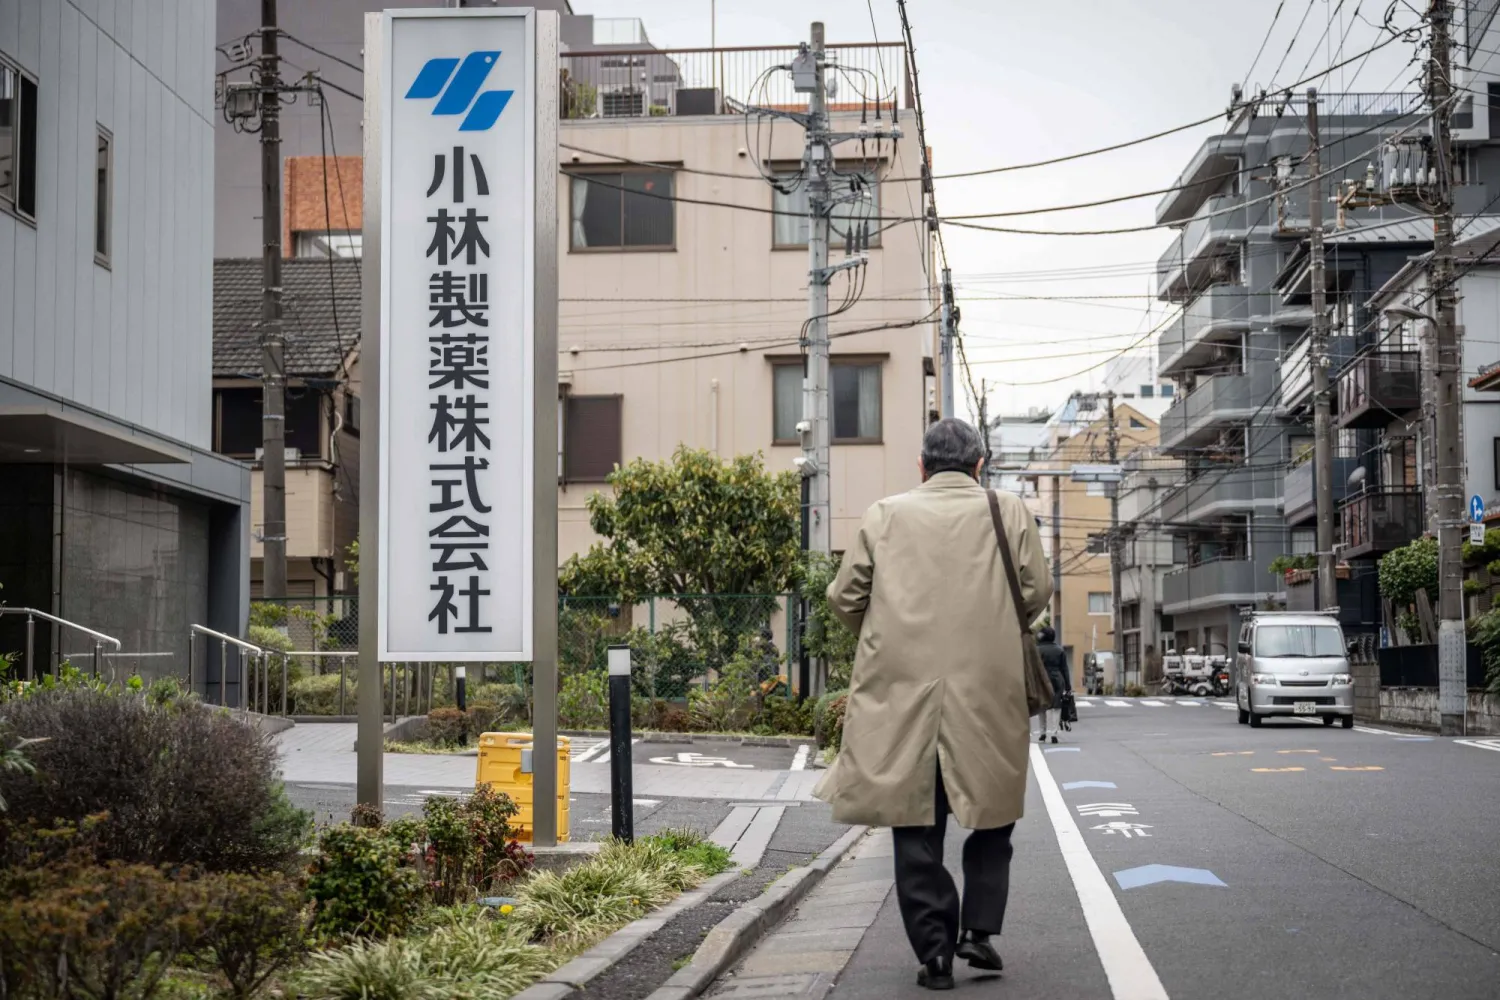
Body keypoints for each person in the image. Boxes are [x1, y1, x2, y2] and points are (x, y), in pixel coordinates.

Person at [813, 418, 1052, 991]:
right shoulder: (1009, 510)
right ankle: (979, 932)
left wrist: (884, 631)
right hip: (988, 691)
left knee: (914, 821)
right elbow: (1037, 592)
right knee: (994, 812)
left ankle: (935, 953)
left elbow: (844, 596)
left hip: (900, 689)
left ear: (921, 467)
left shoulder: (885, 514)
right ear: (979, 465)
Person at [1033, 627, 1072, 744]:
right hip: (1057, 679)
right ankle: (1054, 733)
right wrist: (1068, 686)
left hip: (1041, 679)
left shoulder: (1036, 650)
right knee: (1056, 706)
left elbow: (1032, 668)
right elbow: (1065, 669)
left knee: (1042, 706)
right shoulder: (1059, 650)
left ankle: (1042, 733)